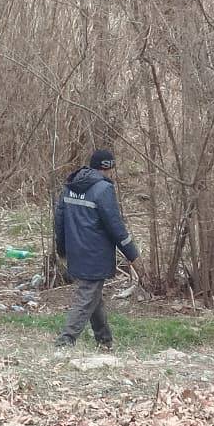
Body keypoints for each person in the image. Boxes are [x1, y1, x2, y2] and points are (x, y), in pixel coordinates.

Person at [52, 148, 142, 350]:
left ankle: (104, 340)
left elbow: (59, 221)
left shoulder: (70, 186)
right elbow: (115, 227)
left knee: (94, 296)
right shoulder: (103, 189)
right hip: (95, 254)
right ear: (107, 167)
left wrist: (62, 249)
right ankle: (65, 341)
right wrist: (132, 254)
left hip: (76, 251)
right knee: (87, 297)